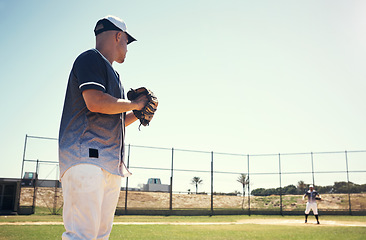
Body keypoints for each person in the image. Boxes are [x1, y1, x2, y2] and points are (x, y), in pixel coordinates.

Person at [58, 15, 148, 239]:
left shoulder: (115, 75)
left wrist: (137, 113)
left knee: (99, 236)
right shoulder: (90, 58)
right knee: (82, 235)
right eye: (127, 42)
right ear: (118, 36)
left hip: (108, 163)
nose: (127, 48)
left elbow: (113, 118)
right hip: (85, 159)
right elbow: (95, 102)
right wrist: (136, 103)